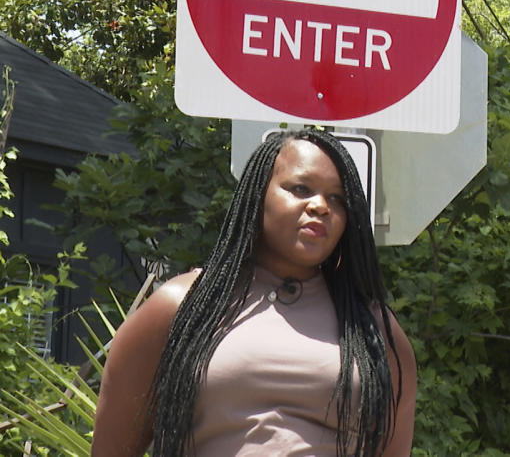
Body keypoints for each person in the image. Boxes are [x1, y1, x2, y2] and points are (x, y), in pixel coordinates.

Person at [91, 128, 416, 456]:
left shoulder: (373, 330)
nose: (320, 206)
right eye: (300, 188)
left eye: (338, 199)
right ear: (259, 194)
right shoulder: (180, 307)